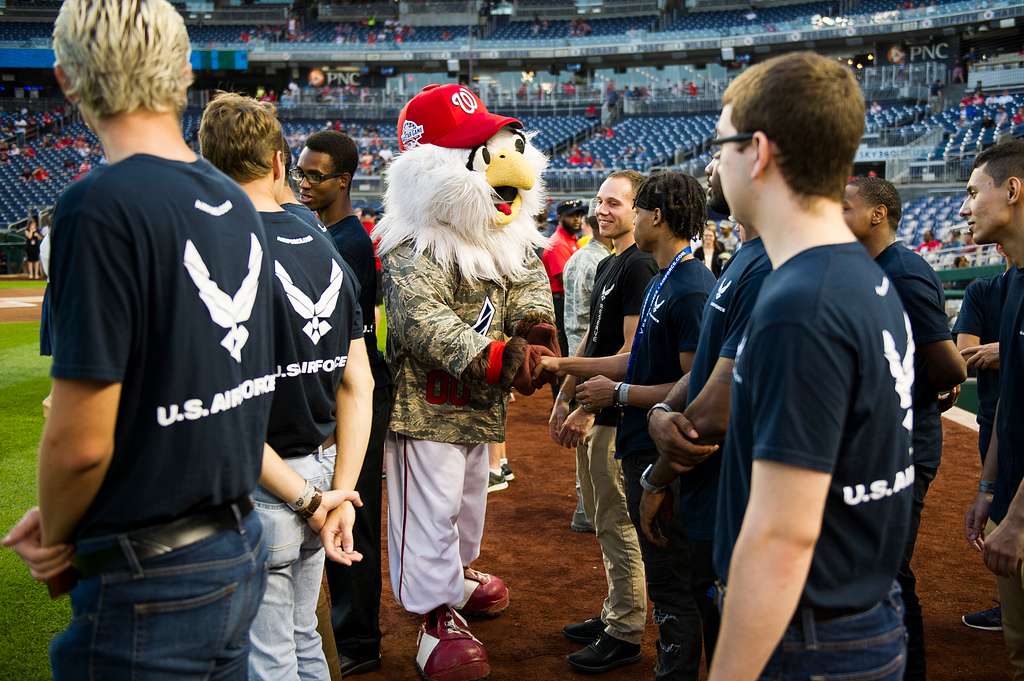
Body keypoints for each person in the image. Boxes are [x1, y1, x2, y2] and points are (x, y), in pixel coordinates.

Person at [2, 1, 276, 676]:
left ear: (66, 80)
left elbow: (79, 442)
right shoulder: (234, 197)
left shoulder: (98, 206)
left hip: (149, 572)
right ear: (184, 71)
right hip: (239, 541)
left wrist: (58, 535)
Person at [707, 51, 916, 681]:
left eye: (722, 145)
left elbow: (780, 538)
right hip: (855, 614)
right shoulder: (857, 277)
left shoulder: (801, 302)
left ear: (760, 152)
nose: (716, 164)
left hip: (808, 637)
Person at [198, 91, 373, 681]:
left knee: (267, 660)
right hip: (323, 471)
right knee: (304, 643)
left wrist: (308, 498)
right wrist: (339, 493)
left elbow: (223, 411)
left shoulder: (213, 252)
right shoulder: (323, 245)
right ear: (278, 164)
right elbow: (359, 382)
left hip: (264, 485)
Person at [541, 171, 715, 679]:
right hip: (641, 442)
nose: (628, 216)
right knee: (660, 573)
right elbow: (631, 358)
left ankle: (669, 666)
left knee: (672, 580)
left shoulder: (687, 288)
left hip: (664, 453)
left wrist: (613, 396)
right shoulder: (664, 276)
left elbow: (695, 388)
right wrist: (563, 370)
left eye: (635, 209)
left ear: (655, 215)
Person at [640, 147, 773, 672]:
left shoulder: (768, 265)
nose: (709, 170)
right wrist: (660, 412)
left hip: (735, 500)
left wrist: (656, 477)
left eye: (721, 155)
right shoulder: (745, 257)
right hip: (710, 494)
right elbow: (703, 372)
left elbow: (715, 411)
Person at [842, 174, 967, 681]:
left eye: (846, 205)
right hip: (881, 439)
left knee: (888, 570)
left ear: (878, 213)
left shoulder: (904, 270)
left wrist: (918, 392)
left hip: (908, 443)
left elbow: (952, 368)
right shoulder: (870, 267)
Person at [295, 129, 394, 676]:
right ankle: (349, 632)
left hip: (353, 397)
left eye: (315, 175)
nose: (304, 182)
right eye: (301, 173)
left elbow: (344, 343)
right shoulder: (329, 234)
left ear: (344, 180)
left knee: (349, 508)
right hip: (342, 394)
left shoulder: (350, 242)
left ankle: (359, 640)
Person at [549, 170, 655, 674]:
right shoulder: (610, 264)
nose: (602, 209)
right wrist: (563, 396)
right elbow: (592, 340)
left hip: (616, 418)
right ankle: (616, 611)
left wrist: (589, 406)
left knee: (617, 523)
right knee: (602, 521)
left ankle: (627, 629)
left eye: (615, 203)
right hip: (596, 410)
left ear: (638, 210)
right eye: (600, 201)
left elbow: (630, 353)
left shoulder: (638, 267)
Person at [961, 138, 1024, 679]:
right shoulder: (1015, 283)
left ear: (1013, 189)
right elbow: (1013, 401)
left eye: (972, 192)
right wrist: (988, 489)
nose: (964, 208)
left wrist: (1018, 517)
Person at [954, 261, 1008, 633]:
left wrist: (1009, 350)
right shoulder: (983, 290)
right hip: (994, 418)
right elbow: (966, 355)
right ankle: (1010, 606)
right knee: (1001, 515)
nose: (965, 212)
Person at [563, 211, 614, 533]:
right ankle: (586, 508)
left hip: (576, 350)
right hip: (591, 353)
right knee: (590, 436)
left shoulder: (578, 256)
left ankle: (585, 507)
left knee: (583, 436)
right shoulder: (600, 262)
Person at [542, 199, 586, 359]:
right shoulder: (558, 243)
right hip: (560, 301)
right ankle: (562, 384)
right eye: (571, 215)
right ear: (560, 217)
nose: (577, 219)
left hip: (567, 298)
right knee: (565, 347)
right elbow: (567, 281)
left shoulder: (571, 240)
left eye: (580, 215)